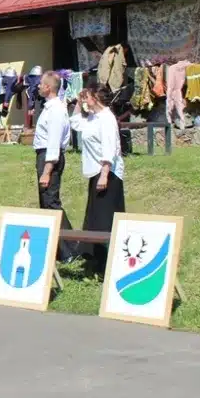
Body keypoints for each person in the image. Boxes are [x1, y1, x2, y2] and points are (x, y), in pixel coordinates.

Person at [70, 83, 127, 269]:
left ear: (95, 97)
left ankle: (108, 262)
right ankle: (95, 259)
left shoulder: (107, 118)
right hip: (95, 172)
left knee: (105, 219)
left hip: (108, 174)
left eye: (87, 96)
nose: (85, 99)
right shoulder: (93, 118)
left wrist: (104, 174)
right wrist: (78, 102)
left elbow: (110, 147)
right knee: (95, 217)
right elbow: (76, 123)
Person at [33, 71, 76, 263]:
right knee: (45, 202)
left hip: (50, 157)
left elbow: (54, 142)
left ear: (48, 87)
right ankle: (57, 248)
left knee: (51, 201)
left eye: (41, 84)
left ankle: (69, 249)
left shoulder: (57, 109)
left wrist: (47, 170)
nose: (39, 86)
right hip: (44, 155)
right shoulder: (49, 107)